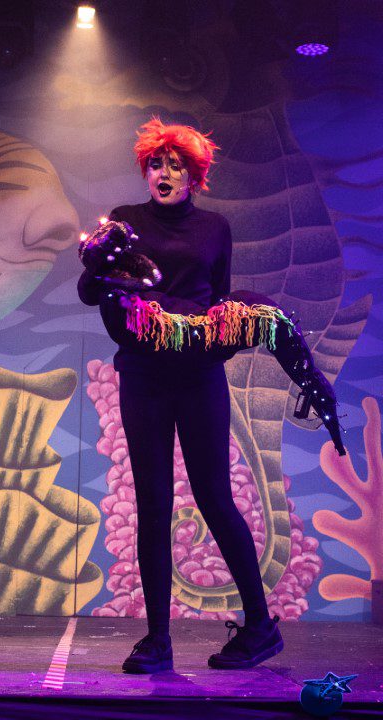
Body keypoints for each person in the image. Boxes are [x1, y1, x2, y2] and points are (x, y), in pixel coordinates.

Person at [77, 117, 344, 674]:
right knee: (152, 503)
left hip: (198, 375)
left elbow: (217, 299)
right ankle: (157, 641)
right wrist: (98, 262)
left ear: (194, 176)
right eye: (156, 164)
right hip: (144, 375)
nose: (164, 173)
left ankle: (260, 628)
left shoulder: (214, 228)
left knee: (216, 497)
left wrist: (204, 338)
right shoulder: (126, 222)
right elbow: (90, 291)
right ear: (146, 170)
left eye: (176, 165)